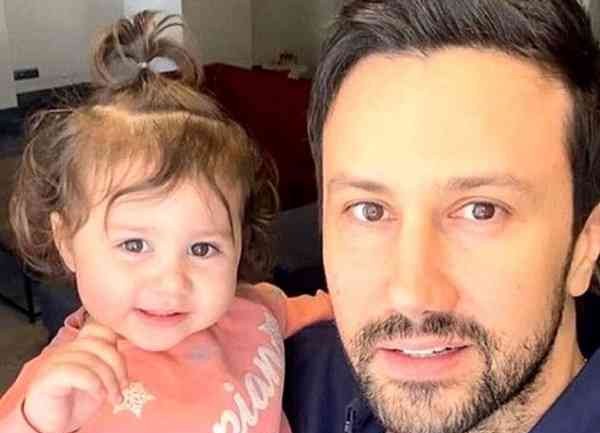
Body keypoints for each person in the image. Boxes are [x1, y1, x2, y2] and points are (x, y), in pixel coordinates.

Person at [0, 11, 331, 433]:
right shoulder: (60, 386)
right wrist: (35, 421)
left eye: (202, 248)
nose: (171, 282)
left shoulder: (256, 307)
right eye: (134, 245)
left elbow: (329, 311)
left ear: (240, 241)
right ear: (66, 239)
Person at [283, 1, 600, 433]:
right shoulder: (271, 382)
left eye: (481, 211)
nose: (412, 295)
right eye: (369, 211)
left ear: (585, 246)